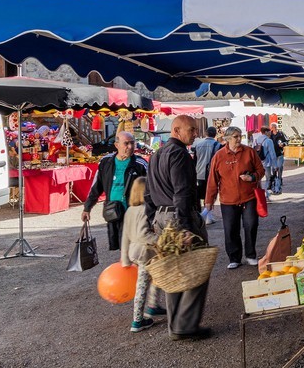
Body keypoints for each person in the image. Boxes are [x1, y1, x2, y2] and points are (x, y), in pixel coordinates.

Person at [145, 115, 212, 339]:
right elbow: (182, 193)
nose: (195, 134)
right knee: (197, 267)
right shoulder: (179, 154)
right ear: (176, 131)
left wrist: (152, 220)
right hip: (178, 217)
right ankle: (185, 325)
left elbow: (148, 194)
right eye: (191, 130)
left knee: (173, 270)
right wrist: (184, 228)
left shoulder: (157, 155)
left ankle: (175, 325)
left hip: (161, 217)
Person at [206, 126, 265, 268]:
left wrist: (252, 177)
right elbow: (212, 180)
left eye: (240, 136)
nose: (239, 139)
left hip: (249, 197)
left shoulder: (249, 152)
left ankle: (250, 255)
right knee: (231, 229)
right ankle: (234, 258)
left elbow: (261, 170)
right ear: (227, 139)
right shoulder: (219, 156)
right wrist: (209, 200)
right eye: (235, 136)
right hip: (228, 200)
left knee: (251, 225)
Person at [83, 128, 146, 252]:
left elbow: (151, 189)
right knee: (119, 245)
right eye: (126, 143)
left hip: (132, 212)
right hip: (112, 211)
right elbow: (96, 186)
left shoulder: (140, 164)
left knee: (131, 247)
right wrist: (87, 208)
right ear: (117, 145)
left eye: (132, 143)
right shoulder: (106, 162)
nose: (130, 147)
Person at [120, 177, 166, 333]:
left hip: (134, 251)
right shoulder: (145, 210)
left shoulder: (130, 210)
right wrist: (161, 240)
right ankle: (137, 320)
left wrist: (125, 258)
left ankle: (153, 305)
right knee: (142, 285)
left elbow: (125, 235)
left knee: (154, 277)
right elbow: (143, 234)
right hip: (145, 252)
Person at [193, 125, 217, 215]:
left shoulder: (198, 145)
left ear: (206, 134)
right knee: (211, 195)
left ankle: (203, 213)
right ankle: (207, 215)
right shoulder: (218, 145)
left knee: (200, 194)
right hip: (212, 174)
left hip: (199, 173)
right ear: (215, 134)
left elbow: (195, 161)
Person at [269, 124, 288, 194]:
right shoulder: (270, 135)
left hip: (280, 154)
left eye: (272, 127)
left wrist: (283, 144)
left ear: (275, 127)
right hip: (272, 155)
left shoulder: (281, 134)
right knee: (274, 169)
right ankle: (275, 181)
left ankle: (279, 180)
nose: (272, 128)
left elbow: (287, 141)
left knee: (279, 167)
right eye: (271, 127)